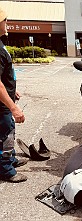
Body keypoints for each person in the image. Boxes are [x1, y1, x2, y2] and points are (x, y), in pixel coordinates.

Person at [0, 6, 28, 183]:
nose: (7, 23)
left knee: (8, 134)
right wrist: (13, 107)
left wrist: (12, 90)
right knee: (5, 136)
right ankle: (6, 170)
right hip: (2, 107)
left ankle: (10, 160)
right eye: (5, 20)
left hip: (5, 100)